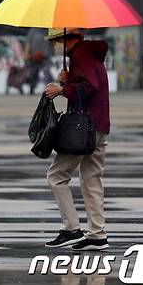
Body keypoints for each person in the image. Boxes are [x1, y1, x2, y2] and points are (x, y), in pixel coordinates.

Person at [44, 28, 110, 251]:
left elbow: (90, 87)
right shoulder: (88, 53)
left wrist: (62, 89)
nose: (54, 46)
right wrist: (69, 79)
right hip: (99, 125)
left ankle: (71, 228)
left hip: (84, 128)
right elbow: (86, 83)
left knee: (56, 175)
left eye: (54, 41)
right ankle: (97, 235)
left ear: (65, 39)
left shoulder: (81, 54)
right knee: (91, 179)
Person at [26, 28, 54, 95]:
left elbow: (52, 42)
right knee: (33, 73)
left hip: (45, 55)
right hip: (34, 55)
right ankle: (32, 87)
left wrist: (52, 50)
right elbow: (28, 42)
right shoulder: (33, 30)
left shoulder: (48, 30)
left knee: (46, 71)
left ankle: (48, 89)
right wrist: (26, 53)